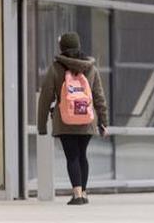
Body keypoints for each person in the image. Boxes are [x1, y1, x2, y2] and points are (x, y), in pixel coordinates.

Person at [36, 31, 109, 205]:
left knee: (72, 156)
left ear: (62, 48)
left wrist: (41, 125)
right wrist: (103, 121)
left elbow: (45, 97)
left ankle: (76, 195)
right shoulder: (91, 68)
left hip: (65, 120)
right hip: (87, 120)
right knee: (82, 155)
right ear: (78, 46)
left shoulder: (55, 68)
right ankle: (83, 193)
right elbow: (99, 97)